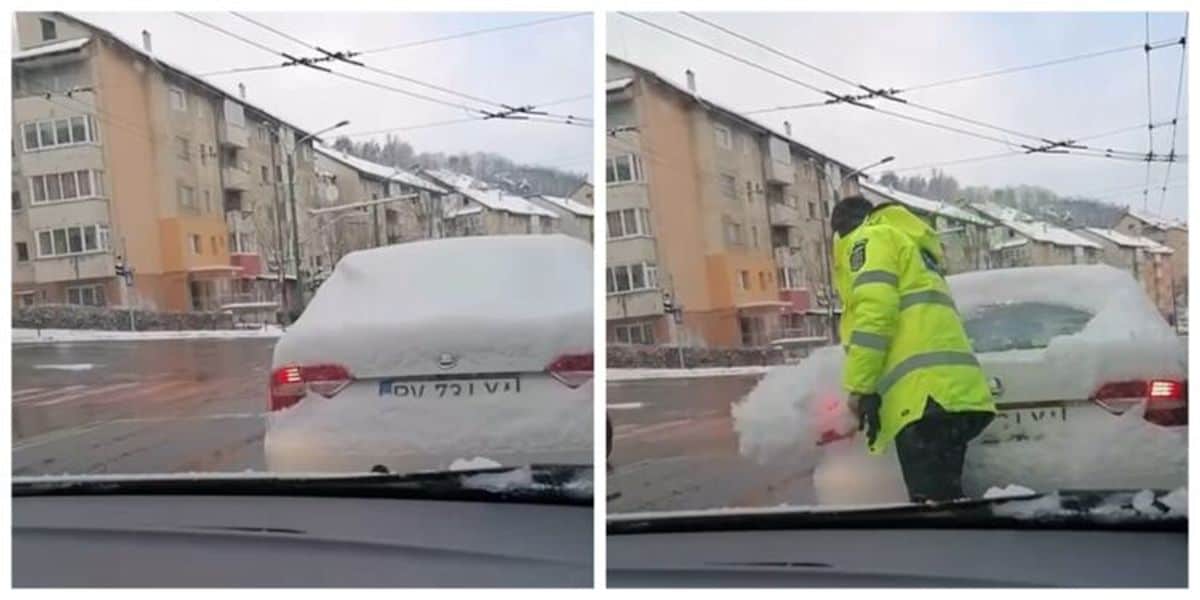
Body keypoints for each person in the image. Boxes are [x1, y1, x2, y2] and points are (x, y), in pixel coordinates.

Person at [829, 195, 996, 503]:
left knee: (931, 511)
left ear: (841, 231)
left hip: (924, 399)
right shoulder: (913, 248)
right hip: (953, 395)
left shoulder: (869, 240)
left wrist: (858, 388)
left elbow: (875, 315)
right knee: (947, 500)